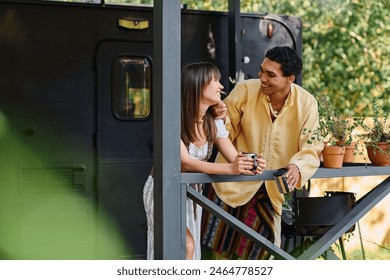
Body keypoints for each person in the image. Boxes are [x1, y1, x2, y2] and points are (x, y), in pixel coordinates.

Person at [201, 46, 324, 259]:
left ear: (290, 79)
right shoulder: (245, 90)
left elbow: (312, 147)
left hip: (269, 192)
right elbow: (225, 131)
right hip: (230, 185)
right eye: (261, 70)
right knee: (221, 253)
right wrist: (221, 118)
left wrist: (297, 167)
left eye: (270, 74)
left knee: (262, 254)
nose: (262, 78)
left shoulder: (307, 104)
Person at [143, 62, 267, 260]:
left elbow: (233, 156)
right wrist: (232, 168)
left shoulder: (213, 121)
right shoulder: (172, 119)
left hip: (193, 194)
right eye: (215, 80)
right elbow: (185, 162)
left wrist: (249, 163)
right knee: (186, 246)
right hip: (164, 192)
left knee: (188, 252)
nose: (221, 86)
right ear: (198, 84)